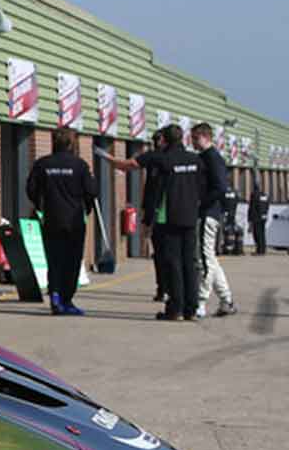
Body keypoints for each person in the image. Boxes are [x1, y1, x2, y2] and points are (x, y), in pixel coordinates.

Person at [102, 124, 203, 321]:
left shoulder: (159, 157)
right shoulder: (195, 160)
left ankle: (175, 309)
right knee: (189, 263)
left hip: (169, 218)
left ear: (163, 140)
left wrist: (107, 158)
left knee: (172, 263)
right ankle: (191, 308)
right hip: (190, 218)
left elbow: (127, 165)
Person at [26, 126, 97, 315]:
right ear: (71, 143)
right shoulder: (80, 165)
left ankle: (55, 296)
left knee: (54, 259)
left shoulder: (42, 164)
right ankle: (66, 299)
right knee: (72, 261)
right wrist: (87, 208)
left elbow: (31, 189)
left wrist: (40, 206)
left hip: (52, 218)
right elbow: (92, 192)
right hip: (74, 220)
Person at [190, 124, 237, 317]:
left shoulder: (212, 158)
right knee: (210, 258)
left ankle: (200, 302)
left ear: (204, 137)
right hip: (206, 213)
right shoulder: (204, 157)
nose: (192, 142)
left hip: (208, 213)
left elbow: (220, 187)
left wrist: (201, 203)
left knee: (204, 260)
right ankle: (226, 300)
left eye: (194, 138)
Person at [252, 176, 272, 256]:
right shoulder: (265, 195)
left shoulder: (254, 195)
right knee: (262, 233)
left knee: (257, 234)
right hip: (264, 217)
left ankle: (259, 250)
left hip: (256, 217)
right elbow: (267, 206)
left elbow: (253, 207)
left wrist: (250, 218)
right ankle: (263, 249)